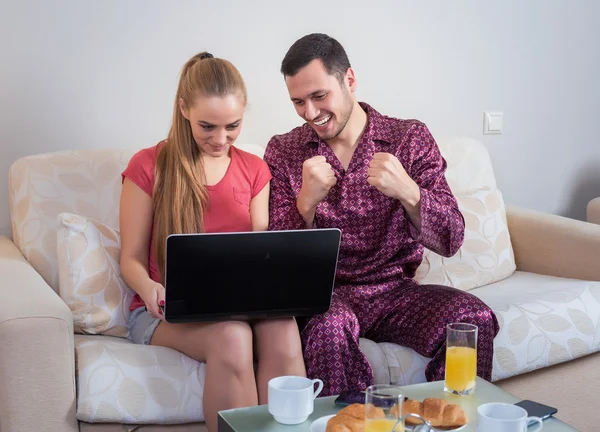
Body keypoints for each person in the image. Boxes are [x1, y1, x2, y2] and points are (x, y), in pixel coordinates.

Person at [263, 33, 500, 397]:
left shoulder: (409, 138)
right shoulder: (284, 151)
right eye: (298, 102)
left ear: (350, 80)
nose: (310, 113)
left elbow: (452, 238)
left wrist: (409, 192)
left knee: (474, 320)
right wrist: (305, 204)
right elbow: (276, 261)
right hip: (326, 298)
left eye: (319, 96)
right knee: (329, 327)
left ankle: (450, 419)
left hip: (395, 293)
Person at [119, 51, 306, 431]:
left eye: (232, 126)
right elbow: (131, 259)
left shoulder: (255, 170)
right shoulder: (148, 165)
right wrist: (151, 287)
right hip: (165, 312)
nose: (220, 139)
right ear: (184, 108)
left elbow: (260, 256)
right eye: (207, 126)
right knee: (233, 337)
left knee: (284, 327)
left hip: (241, 303)